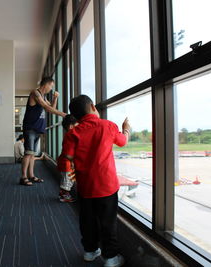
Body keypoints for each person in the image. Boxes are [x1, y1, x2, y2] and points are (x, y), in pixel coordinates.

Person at [62, 95, 130, 267]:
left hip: (85, 187)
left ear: (76, 117)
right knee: (108, 222)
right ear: (92, 106)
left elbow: (66, 159)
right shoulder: (108, 126)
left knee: (87, 220)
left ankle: (90, 251)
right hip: (106, 186)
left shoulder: (73, 134)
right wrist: (126, 129)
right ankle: (111, 258)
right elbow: (123, 142)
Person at [20, 77, 66, 186]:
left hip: (37, 129)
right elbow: (46, 107)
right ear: (47, 84)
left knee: (32, 154)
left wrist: (55, 99)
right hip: (30, 128)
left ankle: (31, 175)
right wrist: (64, 115)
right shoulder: (35, 93)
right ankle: (23, 177)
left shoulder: (43, 96)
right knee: (28, 153)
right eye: (51, 86)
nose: (51, 89)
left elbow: (50, 108)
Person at [57, 115, 78, 203]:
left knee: (68, 180)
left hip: (66, 162)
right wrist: (73, 161)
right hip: (66, 163)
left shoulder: (68, 135)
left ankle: (64, 194)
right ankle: (64, 195)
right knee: (67, 180)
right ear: (71, 126)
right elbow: (67, 154)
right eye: (77, 125)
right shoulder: (70, 136)